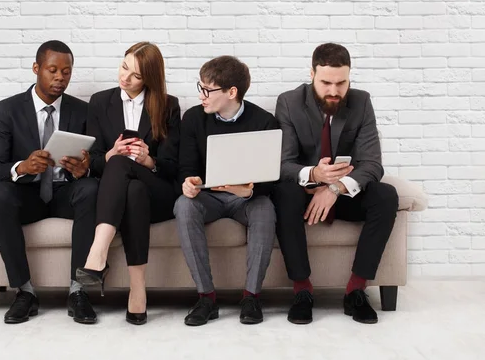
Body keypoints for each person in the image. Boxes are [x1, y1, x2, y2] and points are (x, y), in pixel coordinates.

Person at [272, 43, 399, 325]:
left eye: (341, 83)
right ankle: (302, 291)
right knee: (283, 193)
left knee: (387, 195)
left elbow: (372, 164)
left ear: (349, 77)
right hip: (303, 194)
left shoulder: (361, 101)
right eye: (326, 82)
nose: (333, 91)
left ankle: (356, 290)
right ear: (312, 74)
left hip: (343, 194)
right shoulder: (289, 102)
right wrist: (316, 176)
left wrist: (334, 188)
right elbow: (283, 164)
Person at [0, 40, 99, 325]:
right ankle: (24, 292)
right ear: (36, 68)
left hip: (64, 192)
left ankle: (78, 290)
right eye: (53, 70)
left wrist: (84, 168)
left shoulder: (83, 111)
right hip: (27, 195)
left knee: (91, 189)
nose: (60, 77)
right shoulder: (7, 110)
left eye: (67, 72)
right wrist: (23, 166)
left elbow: (96, 159)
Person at [76, 42, 180, 325]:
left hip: (158, 191)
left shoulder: (169, 106)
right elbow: (94, 161)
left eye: (135, 75)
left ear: (149, 78)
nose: (126, 78)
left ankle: (97, 254)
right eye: (124, 67)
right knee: (126, 179)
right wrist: (110, 153)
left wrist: (149, 160)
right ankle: (138, 290)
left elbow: (174, 168)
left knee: (126, 169)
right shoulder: (100, 102)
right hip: (124, 194)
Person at [173, 55, 279, 326]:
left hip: (245, 199)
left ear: (232, 92)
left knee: (265, 208)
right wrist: (189, 182)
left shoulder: (264, 121)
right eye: (200, 88)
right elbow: (184, 166)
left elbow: (271, 176)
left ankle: (251, 296)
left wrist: (249, 191)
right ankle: (206, 297)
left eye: (208, 90)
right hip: (208, 197)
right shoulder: (194, 118)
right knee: (183, 206)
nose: (202, 96)